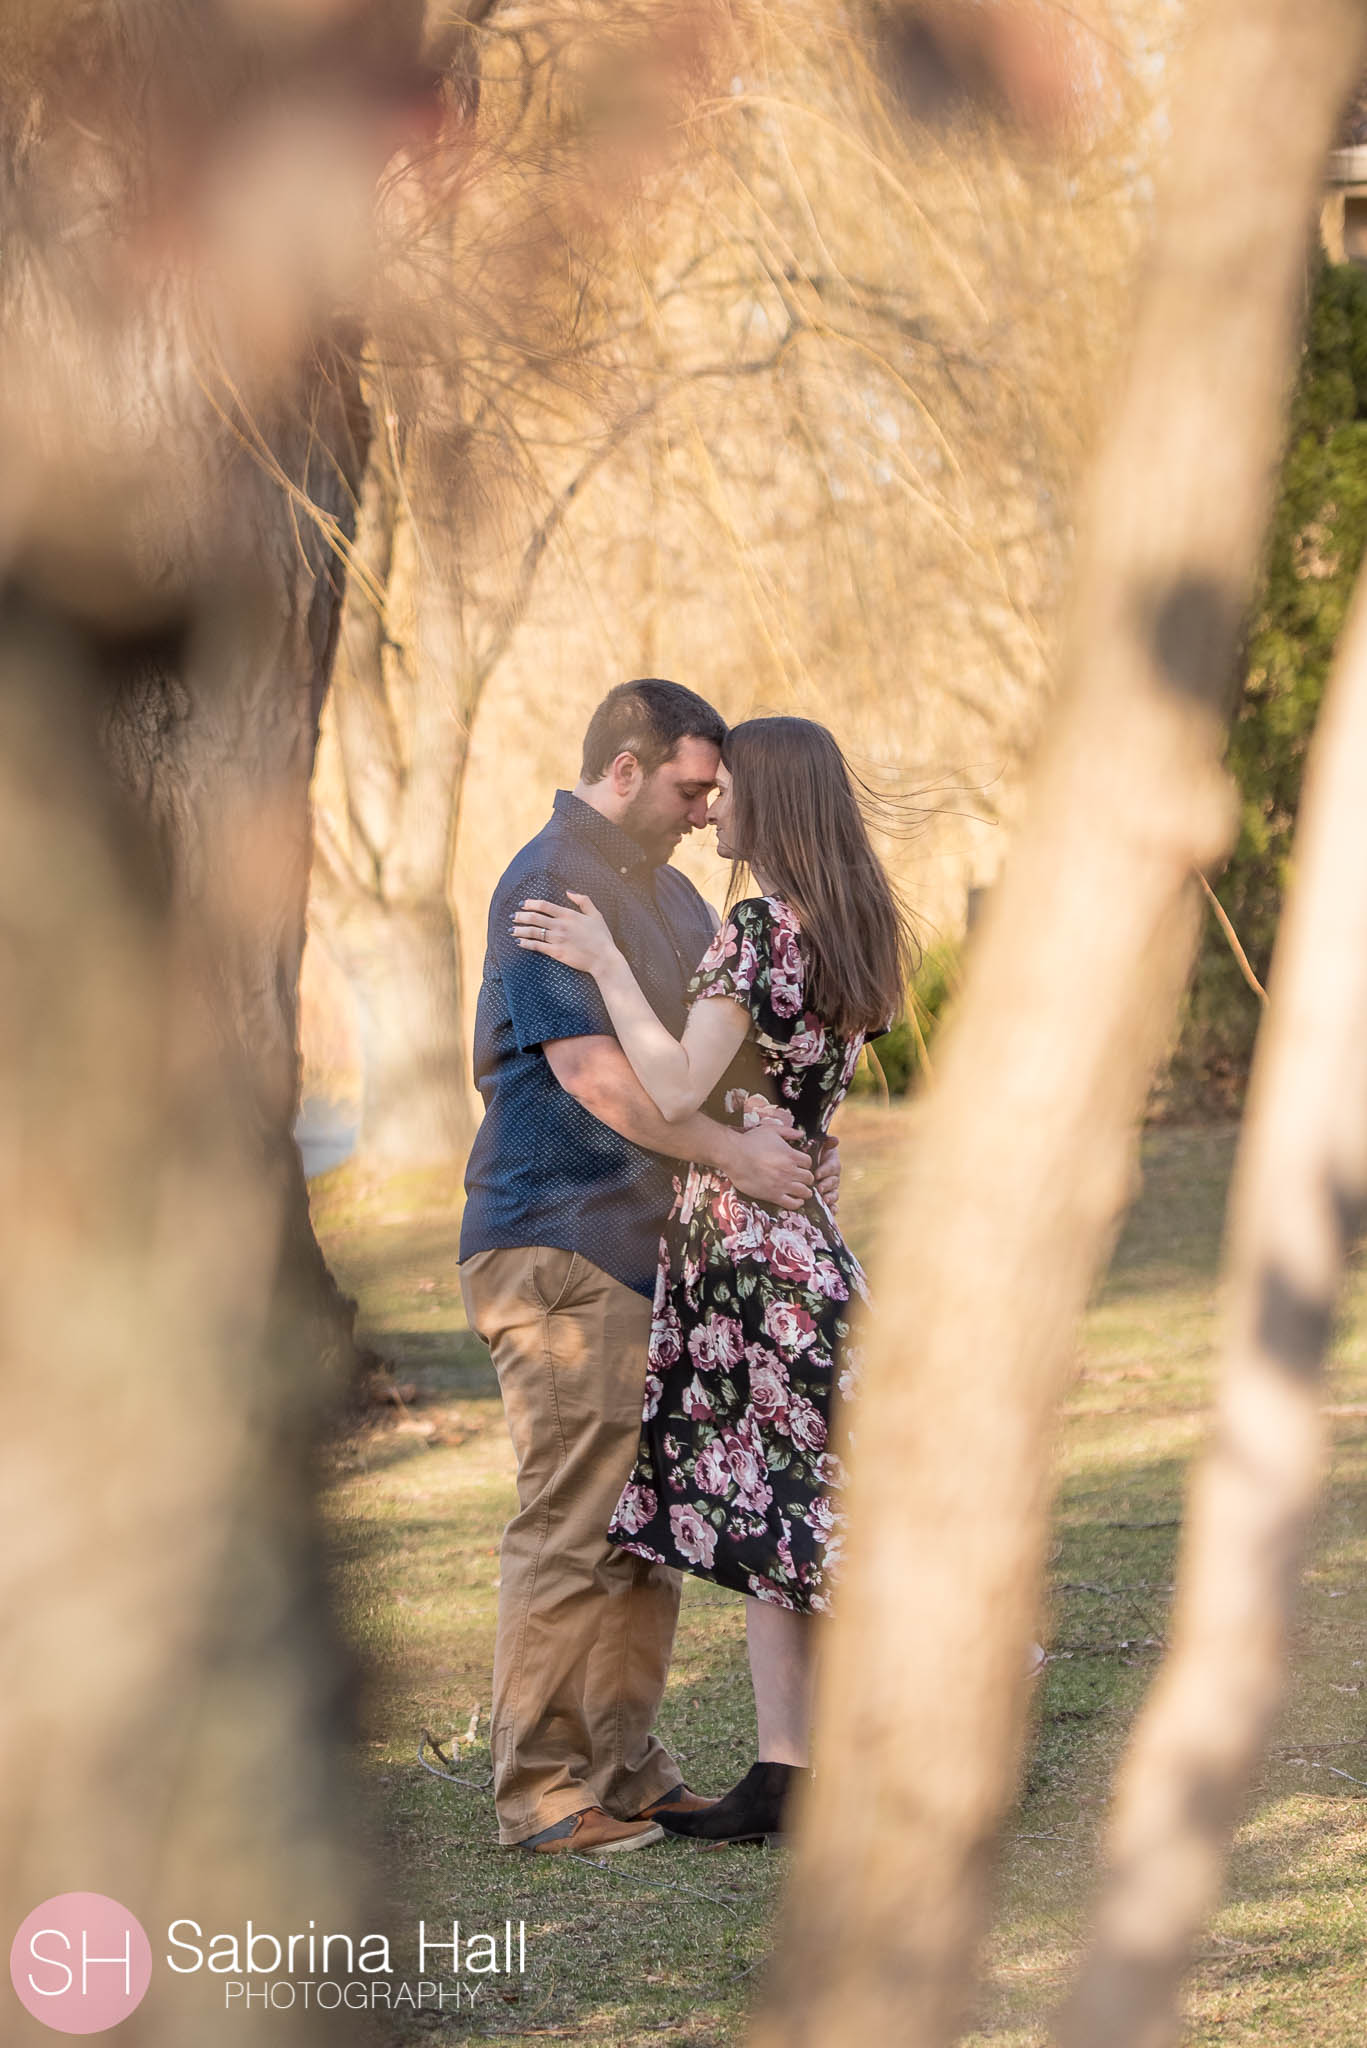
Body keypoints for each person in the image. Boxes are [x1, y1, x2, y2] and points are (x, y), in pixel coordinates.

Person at [512, 714, 916, 1845]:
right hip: (802, 1233)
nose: (712, 809)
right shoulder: (849, 924)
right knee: (787, 1514)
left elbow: (682, 1082)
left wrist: (600, 963)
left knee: (799, 1510)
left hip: (744, 1241)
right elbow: (793, 1097)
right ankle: (787, 1772)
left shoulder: (756, 922)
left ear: (770, 800)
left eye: (726, 788)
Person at [459, 680, 840, 1855]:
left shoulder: (671, 891)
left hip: (660, 1254)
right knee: (573, 1521)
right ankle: (540, 1789)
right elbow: (597, 1078)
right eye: (686, 787)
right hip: (561, 1236)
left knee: (648, 1524)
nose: (700, 808)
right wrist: (737, 1152)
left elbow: (700, 1056)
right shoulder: (545, 886)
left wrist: (791, 1138)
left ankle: (625, 1768)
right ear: (623, 770)